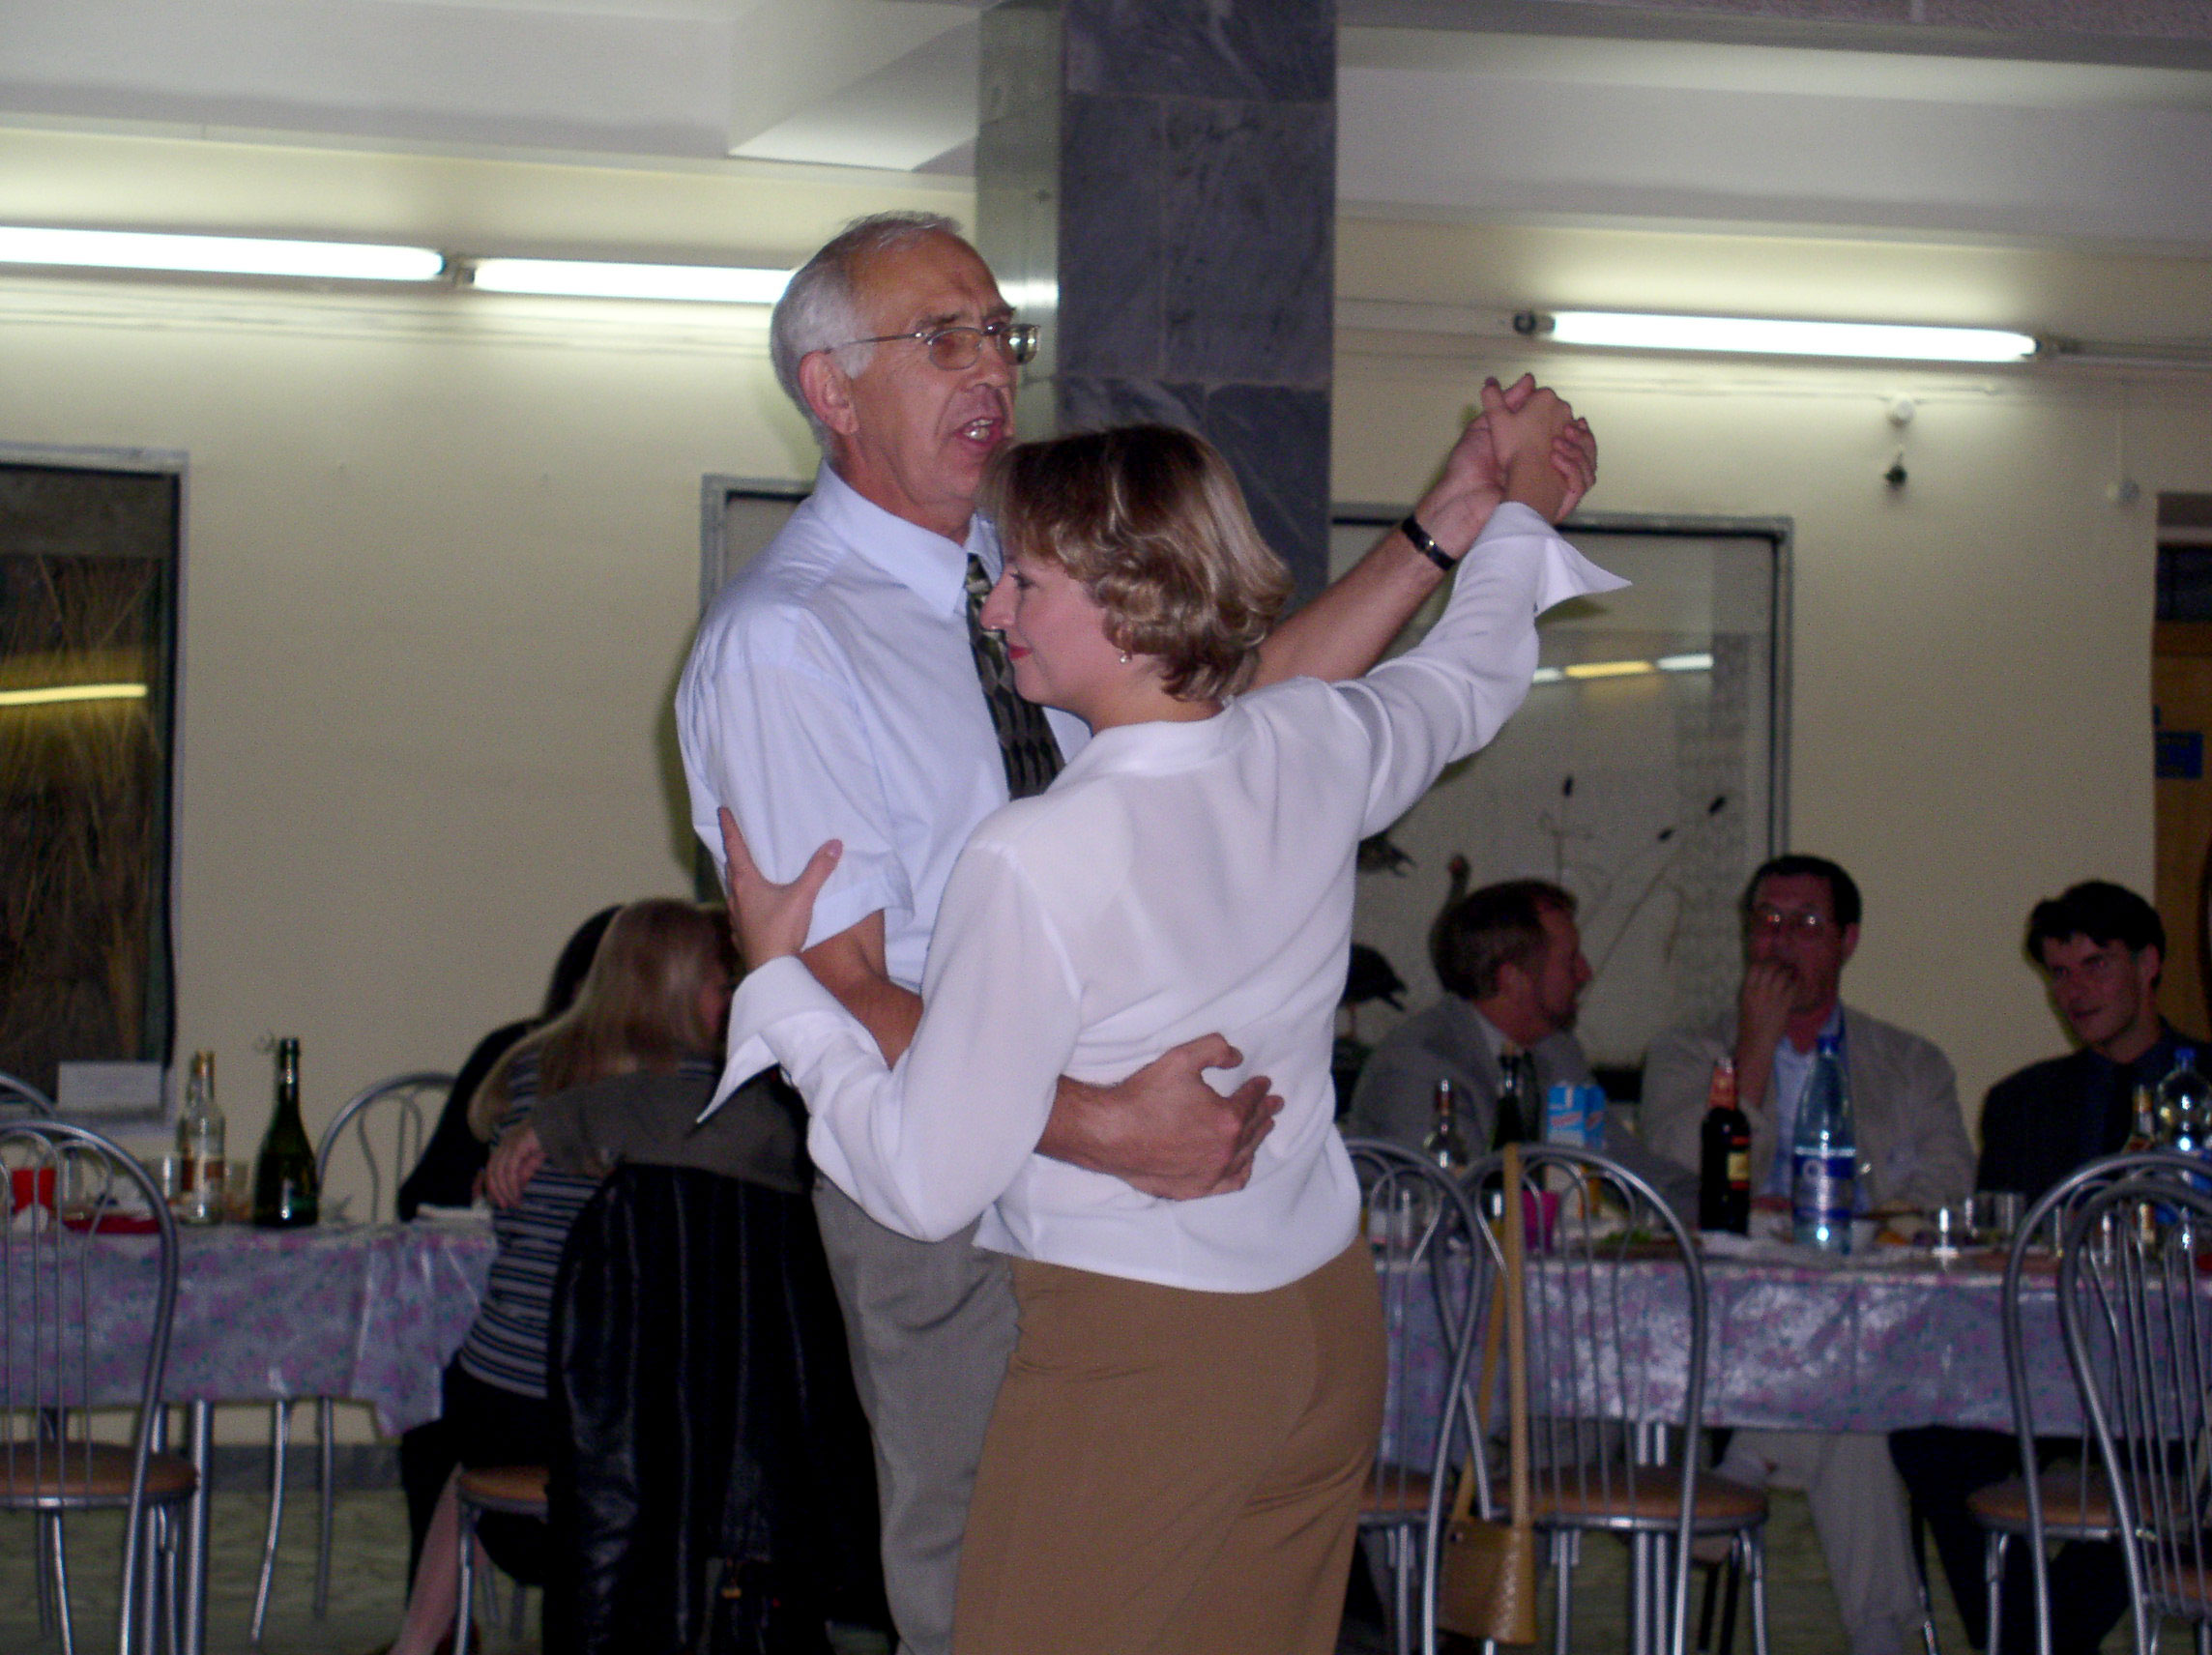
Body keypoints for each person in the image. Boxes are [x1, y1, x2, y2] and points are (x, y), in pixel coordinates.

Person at [673, 208, 1598, 1654]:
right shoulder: (791, 641)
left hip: (1160, 1249)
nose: (992, 365)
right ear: (829, 389)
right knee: (988, 1595)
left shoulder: (1031, 581)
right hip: (993, 1210)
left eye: (1000, 331)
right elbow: (855, 985)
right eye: (941, 337)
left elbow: (1216, 712)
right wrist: (1100, 1125)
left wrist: (1441, 528)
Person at [1643, 854, 1975, 1655]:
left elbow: (1947, 1185)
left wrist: (1838, 1215)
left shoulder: (1910, 1062)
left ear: (1848, 940)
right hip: (1723, 1330)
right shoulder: (1686, 1054)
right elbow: (1683, 1173)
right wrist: (1752, 1053)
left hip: (1876, 1316)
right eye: (1766, 920)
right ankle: (1882, 1635)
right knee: (1848, 1401)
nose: (1780, 940)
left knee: (1846, 1372)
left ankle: (1754, 1455)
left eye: (1806, 923)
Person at [386, 899, 734, 1655]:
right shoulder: (705, 1089)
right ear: (681, 986)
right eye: (720, 983)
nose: (730, 999)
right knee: (713, 1438)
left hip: (493, 1393)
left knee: (463, 1466)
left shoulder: (529, 1063)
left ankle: (417, 1643)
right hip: (601, 1405)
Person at [1889, 880, 2170, 1655]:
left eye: (2096, 965)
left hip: (2172, 1386)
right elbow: (1997, 1253)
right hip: (2039, 1374)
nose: (2074, 991)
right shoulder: (2022, 1101)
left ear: (2149, 964)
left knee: (2170, 1475)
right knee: (1926, 1436)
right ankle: (2037, 1643)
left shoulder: (2202, 1085)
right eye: (2060, 973)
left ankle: (2030, 1643)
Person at [1346, 876, 1698, 1213]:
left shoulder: (1556, 1051)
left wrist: (1714, 1207)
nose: (1585, 972)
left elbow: (1627, 1166)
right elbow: (1461, 1207)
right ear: (1513, 979)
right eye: (1570, 959)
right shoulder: (1419, 1066)